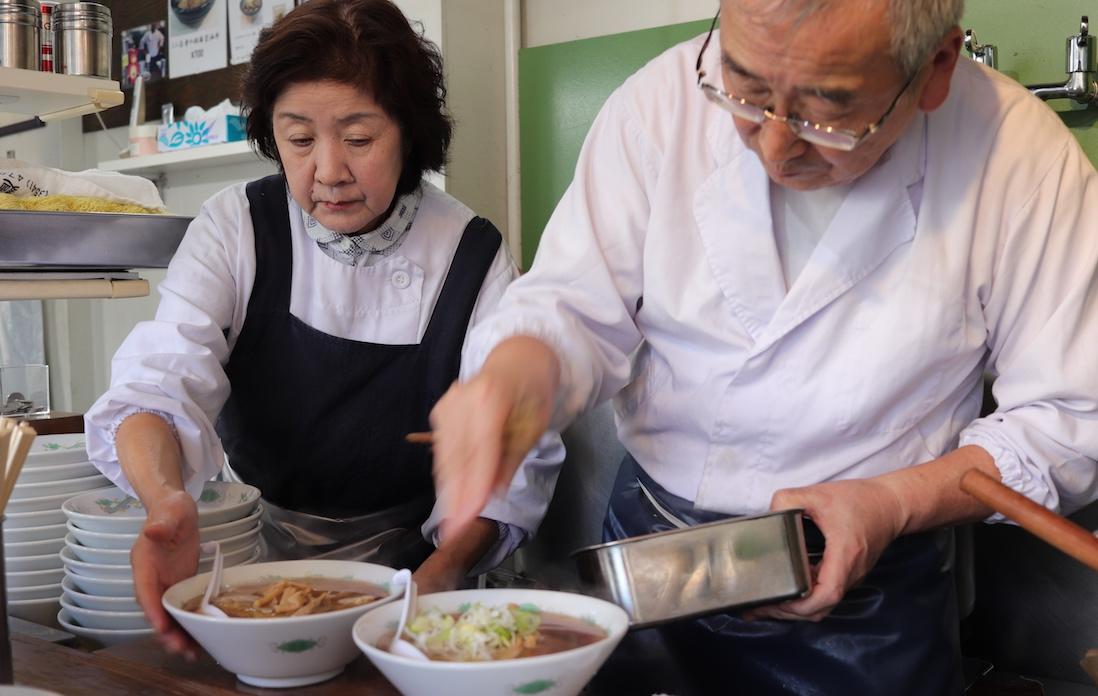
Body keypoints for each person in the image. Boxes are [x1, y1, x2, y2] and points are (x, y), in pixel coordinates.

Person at [428, 0, 1098, 693]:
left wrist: (894, 502)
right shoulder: (661, 104)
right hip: (651, 557)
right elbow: (570, 305)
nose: (774, 147)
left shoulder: (1021, 159)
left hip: (869, 596)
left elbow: (1071, 415)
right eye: (744, 90)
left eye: (829, 111)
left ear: (935, 67)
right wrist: (514, 376)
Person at [84, 0, 562, 657]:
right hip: (251, 574)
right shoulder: (236, 228)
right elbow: (158, 385)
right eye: (300, 139)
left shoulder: (471, 253)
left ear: (409, 130)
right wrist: (166, 503)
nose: (329, 170)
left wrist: (445, 568)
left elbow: (514, 450)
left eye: (359, 138)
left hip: (422, 577)